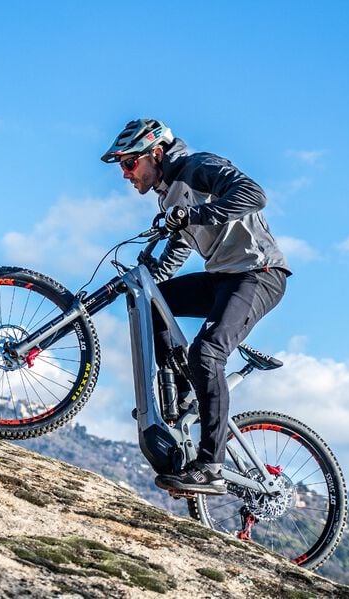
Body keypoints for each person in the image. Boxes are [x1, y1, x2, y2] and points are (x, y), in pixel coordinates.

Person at [100, 119, 290, 495]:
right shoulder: (167, 193)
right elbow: (181, 247)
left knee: (207, 353)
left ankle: (211, 468)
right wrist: (149, 275)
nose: (125, 174)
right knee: (154, 298)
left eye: (129, 163)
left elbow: (253, 194)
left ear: (155, 153)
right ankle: (182, 386)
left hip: (259, 274)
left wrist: (195, 214)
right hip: (222, 277)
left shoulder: (198, 166)